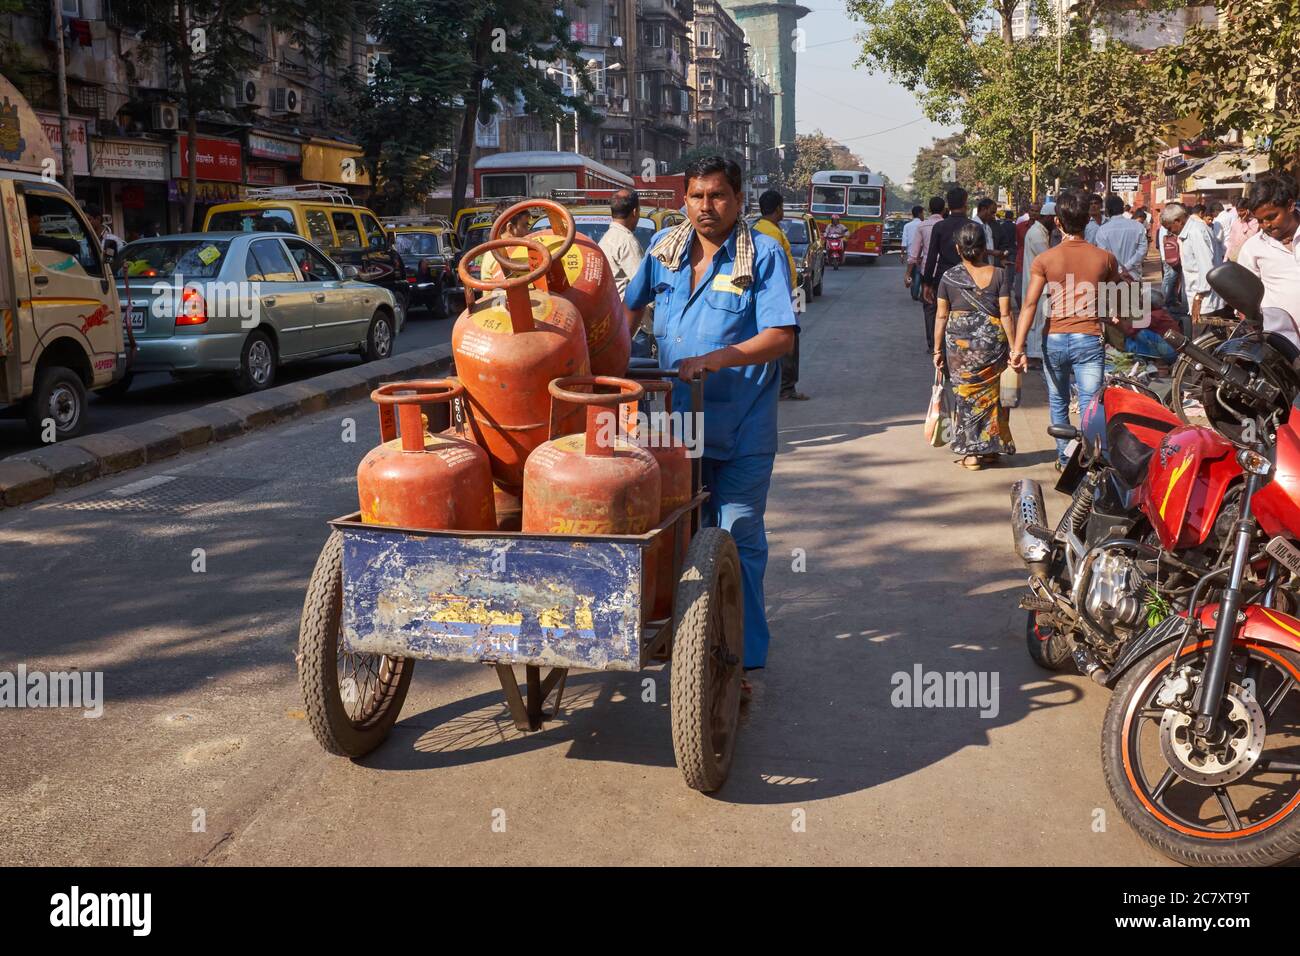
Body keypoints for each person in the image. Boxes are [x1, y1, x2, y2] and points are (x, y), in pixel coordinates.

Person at [624, 155, 797, 697]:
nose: (706, 207)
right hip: (678, 428)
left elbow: (780, 336)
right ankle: (690, 638)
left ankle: (737, 661)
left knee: (736, 536)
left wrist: (716, 359)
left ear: (739, 199)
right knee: (681, 535)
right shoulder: (663, 251)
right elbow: (628, 311)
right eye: (697, 196)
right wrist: (611, 372)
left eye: (718, 196)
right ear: (685, 199)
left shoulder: (762, 254)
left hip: (742, 427)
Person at [1011, 189, 1124, 470]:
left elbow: (1029, 305)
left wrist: (1017, 348)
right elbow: (1118, 298)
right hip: (1089, 339)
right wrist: (1113, 314)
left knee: (1059, 400)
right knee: (1089, 404)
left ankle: (1064, 458)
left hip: (1055, 339)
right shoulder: (1106, 258)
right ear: (1088, 220)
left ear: (1058, 223)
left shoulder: (1045, 260)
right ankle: (1088, 460)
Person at [933, 222, 1016, 470]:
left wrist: (937, 350)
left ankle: (972, 454)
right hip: (993, 346)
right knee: (993, 397)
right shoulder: (999, 274)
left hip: (959, 348)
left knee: (966, 398)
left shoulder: (948, 277)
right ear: (984, 248)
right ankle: (991, 449)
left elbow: (940, 316)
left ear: (958, 249)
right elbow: (1006, 314)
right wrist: (1015, 348)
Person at [752, 189, 807, 401]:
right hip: (783, 296)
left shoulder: (760, 228)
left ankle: (779, 385)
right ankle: (786, 387)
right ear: (778, 209)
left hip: (780, 293)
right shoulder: (771, 234)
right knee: (788, 342)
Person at [1237, 175, 1300, 343]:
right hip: (1283, 345)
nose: (1266, 225)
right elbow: (1243, 294)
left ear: (1290, 205)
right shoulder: (1253, 248)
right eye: (1259, 220)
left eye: (1272, 217)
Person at [1162, 201, 1231, 329]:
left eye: (1170, 228)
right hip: (1199, 297)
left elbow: (1206, 267)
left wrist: (1198, 298)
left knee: (1202, 345)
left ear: (1178, 221)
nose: (1171, 232)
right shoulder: (1191, 230)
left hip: (1205, 301)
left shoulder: (1196, 232)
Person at [922, 186, 975, 306]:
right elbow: (982, 256)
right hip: (969, 278)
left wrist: (927, 283)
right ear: (965, 204)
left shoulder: (939, 227)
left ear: (948, 205)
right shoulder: (975, 227)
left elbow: (931, 258)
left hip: (943, 277)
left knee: (942, 313)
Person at [906, 196, 945, 352]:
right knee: (945, 307)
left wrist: (908, 274)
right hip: (945, 273)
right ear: (943, 209)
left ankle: (932, 344)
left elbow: (914, 254)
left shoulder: (922, 226)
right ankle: (943, 342)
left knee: (929, 308)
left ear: (929, 209)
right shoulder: (946, 225)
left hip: (927, 273)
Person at [1020, 200, 1054, 364]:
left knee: (1039, 318)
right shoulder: (1036, 233)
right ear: (1048, 217)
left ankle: (1036, 353)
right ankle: (1034, 355)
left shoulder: (1040, 231)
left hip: (1038, 281)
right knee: (1038, 318)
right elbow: (1047, 258)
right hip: (1037, 282)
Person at [598, 187, 643, 300]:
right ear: (634, 212)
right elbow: (642, 284)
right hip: (626, 313)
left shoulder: (606, 239)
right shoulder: (627, 241)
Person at [1095, 194, 1148, 279]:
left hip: (1112, 278)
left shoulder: (1102, 231)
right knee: (1134, 292)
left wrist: (1120, 270)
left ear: (1107, 211)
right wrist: (1127, 267)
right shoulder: (1138, 227)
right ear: (1123, 209)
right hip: (1133, 276)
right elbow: (1142, 251)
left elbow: (1104, 256)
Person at [1225, 194, 1259, 262]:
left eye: (1242, 210)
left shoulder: (1255, 222)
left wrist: (1244, 223)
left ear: (1248, 210)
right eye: (1238, 210)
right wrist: (1226, 258)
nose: (1239, 213)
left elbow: (1251, 237)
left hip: (1247, 259)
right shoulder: (1236, 222)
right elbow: (1231, 241)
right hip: (1233, 257)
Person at [900, 205, 924, 297]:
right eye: (922, 213)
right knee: (920, 272)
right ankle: (919, 291)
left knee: (910, 272)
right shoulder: (923, 224)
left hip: (910, 254)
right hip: (921, 255)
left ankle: (913, 289)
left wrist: (902, 255)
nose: (923, 215)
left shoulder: (907, 226)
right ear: (919, 213)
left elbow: (904, 241)